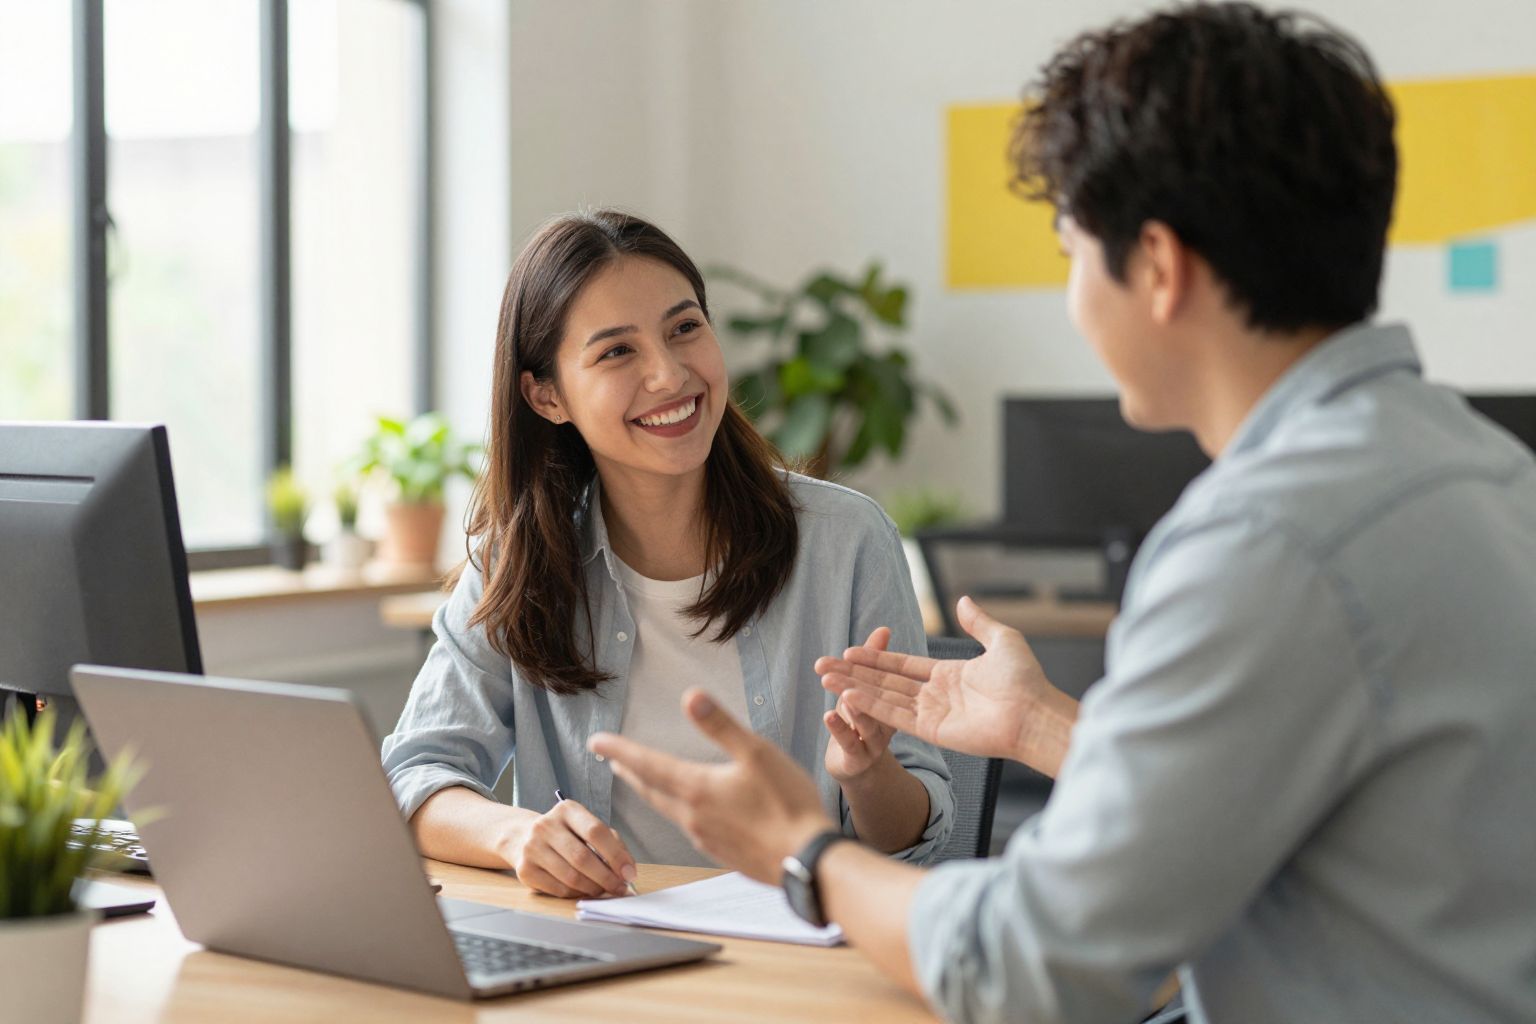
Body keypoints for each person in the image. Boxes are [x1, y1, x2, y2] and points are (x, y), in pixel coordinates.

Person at [588, 5, 1536, 1023]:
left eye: (1075, 252)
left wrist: (800, 849)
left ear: (1161, 269)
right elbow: (1291, 803)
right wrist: (1042, 723)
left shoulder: (1267, 543)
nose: (1077, 296)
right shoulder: (1485, 469)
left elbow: (1029, 966)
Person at [381, 210, 954, 900]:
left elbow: (914, 841)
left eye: (685, 328)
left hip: (796, 965)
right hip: (600, 963)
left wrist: (868, 776)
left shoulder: (847, 540)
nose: (669, 374)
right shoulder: (516, 560)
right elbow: (413, 774)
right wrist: (514, 836)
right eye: (617, 352)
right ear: (547, 395)